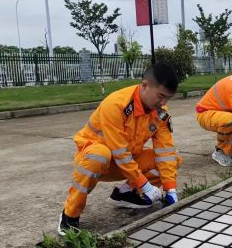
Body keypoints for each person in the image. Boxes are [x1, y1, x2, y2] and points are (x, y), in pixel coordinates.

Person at [58, 63, 182, 235]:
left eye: (168, 98)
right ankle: (69, 214)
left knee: (173, 159)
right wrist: (145, 185)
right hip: (96, 162)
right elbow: (119, 152)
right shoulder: (116, 105)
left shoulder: (159, 112)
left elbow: (165, 151)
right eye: (160, 96)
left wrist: (170, 189)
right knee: (99, 155)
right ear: (145, 85)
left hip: (126, 162)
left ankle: (126, 194)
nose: (163, 103)